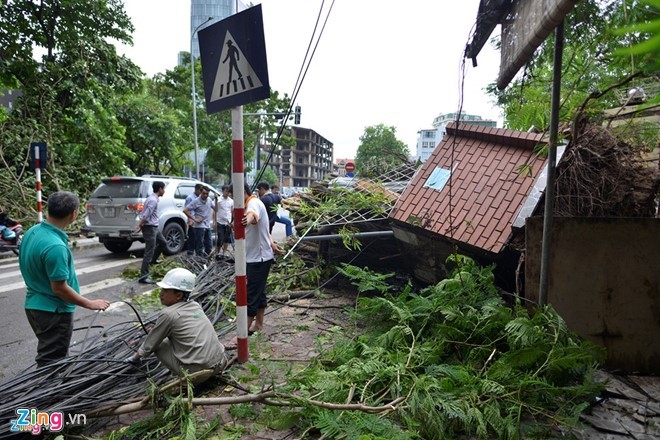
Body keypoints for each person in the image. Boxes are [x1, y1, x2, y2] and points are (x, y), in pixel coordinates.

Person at [19, 191, 110, 368]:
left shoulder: (33, 232)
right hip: (53, 312)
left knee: (55, 355)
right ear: (74, 214)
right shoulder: (55, 247)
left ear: (48, 210)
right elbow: (59, 288)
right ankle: (47, 394)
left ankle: (54, 390)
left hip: (34, 306)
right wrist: (89, 303)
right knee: (51, 362)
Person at [124, 268, 226, 375]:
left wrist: (135, 358)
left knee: (160, 342)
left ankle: (184, 378)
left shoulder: (168, 314)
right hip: (220, 363)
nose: (161, 294)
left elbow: (150, 344)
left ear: (178, 295)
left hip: (199, 373)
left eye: (166, 291)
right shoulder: (195, 305)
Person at [229, 184, 283, 347]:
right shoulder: (247, 204)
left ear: (242, 192)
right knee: (259, 292)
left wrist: (247, 220)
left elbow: (253, 216)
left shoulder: (253, 203)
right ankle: (258, 324)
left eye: (234, 195)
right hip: (258, 256)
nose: (233, 199)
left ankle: (242, 334)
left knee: (251, 294)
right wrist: (272, 244)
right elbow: (265, 229)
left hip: (258, 259)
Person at [134, 181, 168, 284]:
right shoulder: (153, 200)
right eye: (163, 189)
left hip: (154, 227)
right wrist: (140, 225)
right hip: (150, 228)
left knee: (163, 243)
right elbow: (146, 215)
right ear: (160, 189)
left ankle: (153, 260)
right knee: (149, 251)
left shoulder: (153, 198)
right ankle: (143, 276)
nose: (164, 191)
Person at [183, 185, 214, 257]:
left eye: (207, 194)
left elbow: (216, 209)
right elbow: (185, 210)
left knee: (209, 245)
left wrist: (217, 200)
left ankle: (206, 259)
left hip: (207, 225)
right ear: (200, 192)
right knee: (199, 246)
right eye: (204, 193)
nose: (205, 195)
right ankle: (199, 260)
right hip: (199, 226)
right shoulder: (195, 201)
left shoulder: (209, 200)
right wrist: (194, 219)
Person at [215, 184, 234, 257]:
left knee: (227, 239)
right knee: (220, 238)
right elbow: (215, 210)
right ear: (223, 191)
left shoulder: (231, 201)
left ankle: (224, 253)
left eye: (228, 191)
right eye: (226, 191)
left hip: (228, 222)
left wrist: (232, 221)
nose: (227, 193)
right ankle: (217, 252)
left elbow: (232, 211)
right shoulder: (219, 200)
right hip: (220, 222)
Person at [184, 184, 203, 255]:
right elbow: (187, 210)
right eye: (200, 190)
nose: (201, 192)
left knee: (197, 238)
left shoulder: (200, 198)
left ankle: (197, 252)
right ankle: (190, 252)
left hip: (198, 221)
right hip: (193, 220)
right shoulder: (190, 198)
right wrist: (190, 220)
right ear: (196, 189)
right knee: (192, 237)